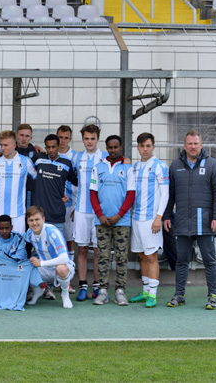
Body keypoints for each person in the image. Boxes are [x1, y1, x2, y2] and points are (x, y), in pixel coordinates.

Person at [164, 129, 216, 310]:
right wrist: (167, 215)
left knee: (209, 260)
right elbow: (170, 194)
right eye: (189, 143)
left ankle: (212, 296)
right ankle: (179, 295)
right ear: (184, 145)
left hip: (205, 222)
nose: (193, 146)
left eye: (196, 143)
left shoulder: (213, 165)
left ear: (201, 145)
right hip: (182, 222)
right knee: (181, 260)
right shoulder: (175, 166)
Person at [90, 135, 135, 306]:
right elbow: (92, 193)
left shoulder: (128, 168)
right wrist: (100, 214)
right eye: (110, 147)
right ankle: (102, 291)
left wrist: (120, 215)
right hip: (102, 221)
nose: (113, 150)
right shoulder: (98, 167)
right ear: (106, 148)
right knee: (102, 256)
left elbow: (131, 194)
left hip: (121, 222)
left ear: (121, 147)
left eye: (116, 147)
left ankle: (120, 291)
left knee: (122, 257)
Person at [32, 133, 78, 301]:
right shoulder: (37, 159)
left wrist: (72, 201)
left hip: (58, 214)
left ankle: (59, 285)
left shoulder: (66, 163)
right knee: (39, 253)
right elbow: (19, 153)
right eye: (48, 147)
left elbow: (79, 182)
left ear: (59, 146)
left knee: (55, 252)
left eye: (54, 147)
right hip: (39, 217)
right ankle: (43, 287)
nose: (51, 150)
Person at [128, 132, 169, 308]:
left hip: (151, 219)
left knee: (151, 257)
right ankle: (145, 291)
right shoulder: (135, 167)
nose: (145, 149)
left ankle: (153, 294)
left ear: (153, 146)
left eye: (148, 146)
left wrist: (159, 217)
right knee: (141, 255)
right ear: (138, 147)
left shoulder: (160, 166)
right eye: (142, 146)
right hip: (135, 219)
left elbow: (165, 193)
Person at [72, 124, 107, 301]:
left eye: (92, 138)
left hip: (99, 212)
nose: (89, 142)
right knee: (83, 249)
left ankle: (98, 285)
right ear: (83, 139)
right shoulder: (77, 157)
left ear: (98, 139)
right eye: (86, 138)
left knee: (98, 250)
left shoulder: (106, 158)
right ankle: (83, 286)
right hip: (81, 211)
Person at [0, 214, 42, 311]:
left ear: (12, 227)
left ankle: (36, 289)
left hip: (15, 269)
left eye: (7, 228)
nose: (5, 231)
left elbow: (21, 257)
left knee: (30, 263)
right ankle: (0, 292)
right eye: (2, 228)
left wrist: (5, 260)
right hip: (3, 272)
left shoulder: (18, 238)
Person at [0, 130, 37, 243]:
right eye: (1, 145)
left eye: (6, 145)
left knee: (18, 247)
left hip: (18, 213)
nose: (2, 148)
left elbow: (37, 178)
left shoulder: (25, 161)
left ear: (14, 145)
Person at [24, 206, 74, 309]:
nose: (34, 223)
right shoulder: (29, 233)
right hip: (44, 269)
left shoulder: (52, 232)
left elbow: (64, 258)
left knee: (61, 268)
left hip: (61, 267)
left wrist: (41, 263)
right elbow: (19, 239)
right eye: (31, 220)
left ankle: (65, 294)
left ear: (43, 219)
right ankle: (37, 291)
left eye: (37, 219)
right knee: (22, 267)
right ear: (28, 222)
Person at [56, 125, 77, 293]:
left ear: (70, 139)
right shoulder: (49, 156)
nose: (62, 141)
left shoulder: (75, 157)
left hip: (70, 205)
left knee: (69, 242)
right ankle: (50, 281)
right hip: (52, 206)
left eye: (65, 138)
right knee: (53, 243)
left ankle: (67, 279)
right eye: (60, 137)